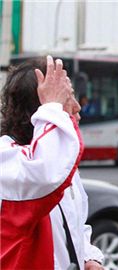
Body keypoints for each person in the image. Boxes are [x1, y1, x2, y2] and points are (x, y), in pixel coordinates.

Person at [0, 56, 104, 270]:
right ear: (40, 109)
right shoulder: (8, 158)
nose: (77, 108)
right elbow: (44, 175)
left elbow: (74, 224)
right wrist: (52, 108)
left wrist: (86, 257)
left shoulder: (58, 160)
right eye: (67, 98)